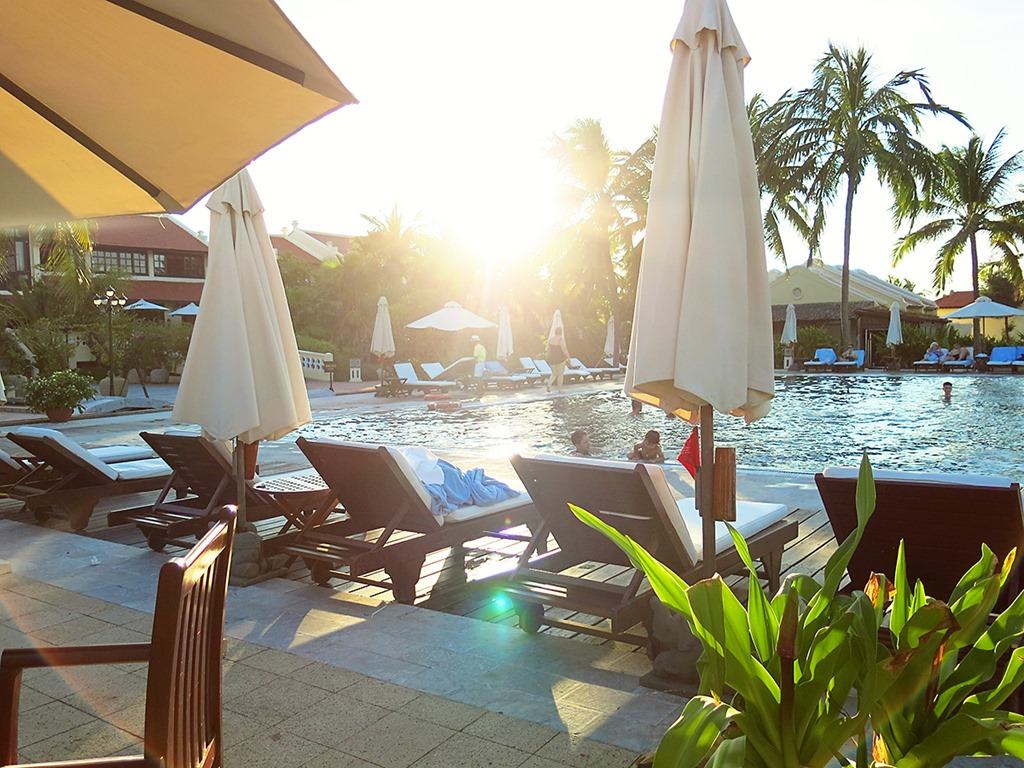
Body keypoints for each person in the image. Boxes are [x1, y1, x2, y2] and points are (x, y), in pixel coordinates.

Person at [545, 327, 570, 392]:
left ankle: (549, 385)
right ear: (561, 332)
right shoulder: (560, 339)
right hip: (559, 359)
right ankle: (560, 390)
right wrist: (568, 357)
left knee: (554, 373)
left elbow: (548, 349)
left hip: (551, 359)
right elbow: (564, 349)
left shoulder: (550, 340)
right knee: (560, 374)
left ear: (555, 332)